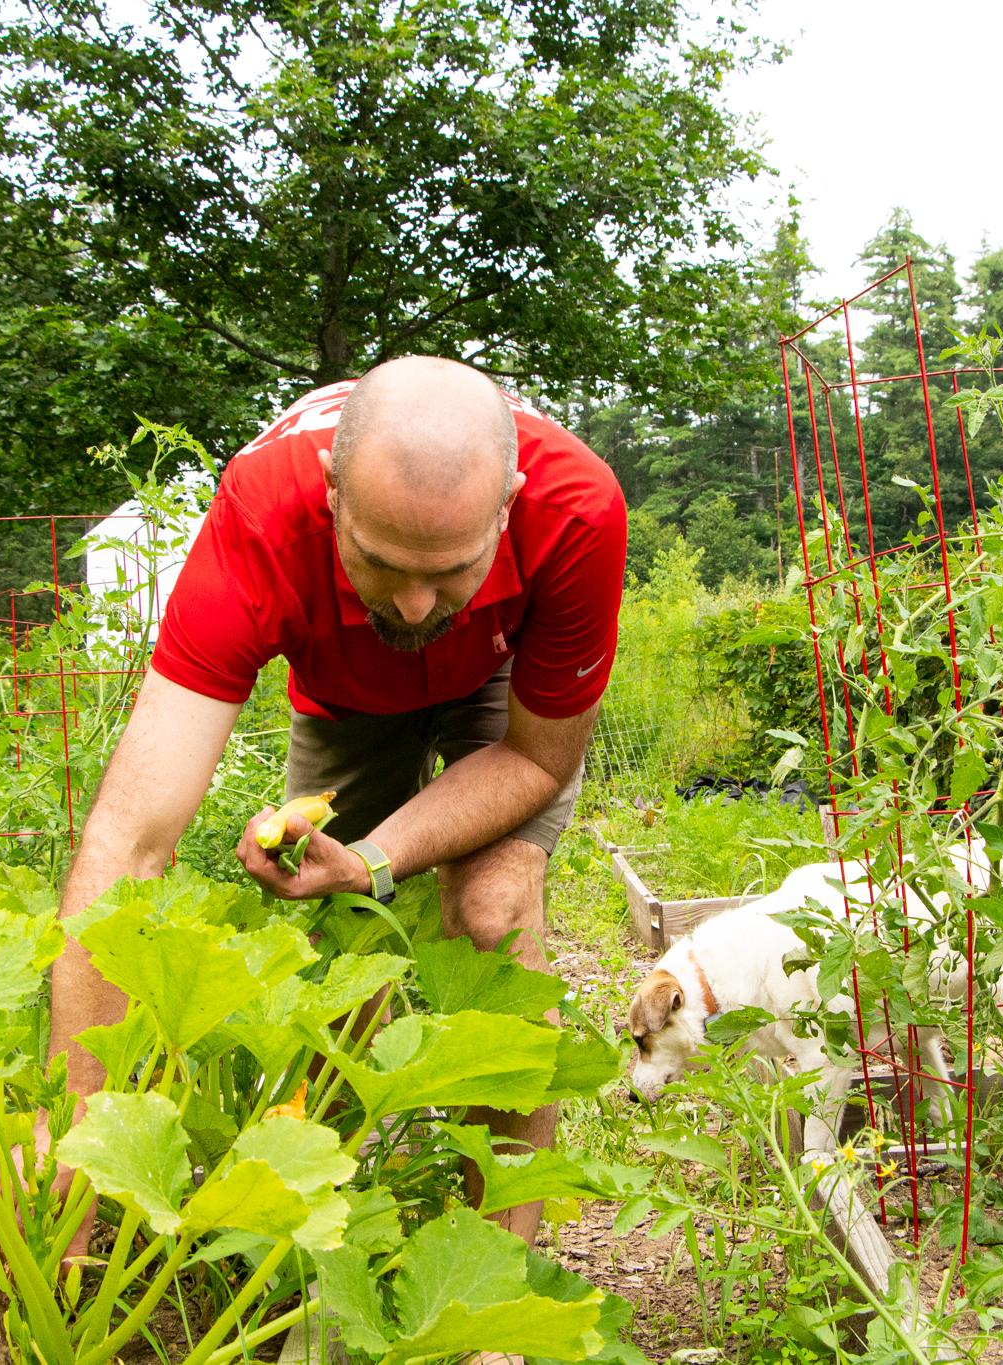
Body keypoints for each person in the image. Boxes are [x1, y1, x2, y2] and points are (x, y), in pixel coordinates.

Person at [44, 356, 628, 1263]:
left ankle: (490, 1277)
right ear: (329, 495)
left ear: (507, 503)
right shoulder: (261, 508)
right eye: (380, 560)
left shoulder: (579, 508)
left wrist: (377, 855)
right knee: (337, 953)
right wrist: (67, 1161)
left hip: (502, 691)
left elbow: (537, 756)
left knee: (493, 910)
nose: (415, 604)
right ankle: (330, 1239)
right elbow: (128, 836)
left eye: (452, 568)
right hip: (346, 691)